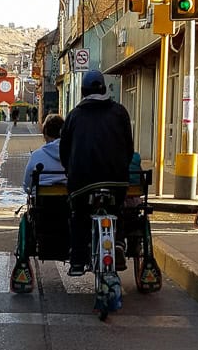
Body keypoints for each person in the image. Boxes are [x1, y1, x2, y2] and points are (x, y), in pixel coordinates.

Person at [59, 69, 134, 276]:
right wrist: (121, 168)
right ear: (104, 88)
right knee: (118, 208)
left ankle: (77, 259)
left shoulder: (74, 115)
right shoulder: (120, 112)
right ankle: (118, 243)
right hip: (116, 180)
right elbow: (129, 148)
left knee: (79, 214)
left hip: (82, 182)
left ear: (82, 91)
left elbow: (64, 150)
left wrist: (69, 170)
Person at [22, 114, 67, 194]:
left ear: (45, 134)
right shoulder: (72, 155)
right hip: (67, 201)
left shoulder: (36, 155)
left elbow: (27, 185)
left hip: (41, 202)